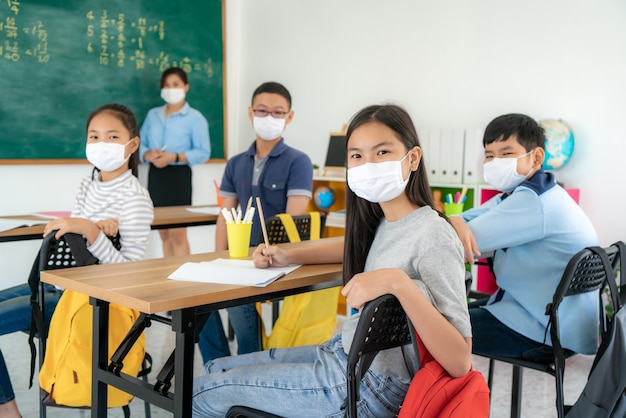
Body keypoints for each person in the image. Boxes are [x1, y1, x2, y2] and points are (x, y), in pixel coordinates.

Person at [191, 104, 472, 417]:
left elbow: (460, 360)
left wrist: (398, 283)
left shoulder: (433, 235)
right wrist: (287, 254)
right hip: (344, 353)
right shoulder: (385, 220)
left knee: (202, 393)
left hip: (372, 385)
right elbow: (349, 245)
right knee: (215, 366)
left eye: (381, 153)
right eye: (357, 155)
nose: (368, 164)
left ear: (413, 158)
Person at [0, 103, 154, 418]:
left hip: (97, 304)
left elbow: (130, 276)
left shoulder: (135, 198)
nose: (101, 144)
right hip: (69, 286)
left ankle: (7, 412)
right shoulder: (88, 183)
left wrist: (90, 230)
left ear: (132, 144)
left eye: (112, 136)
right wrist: (93, 228)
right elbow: (79, 243)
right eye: (94, 137)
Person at [448, 113, 599, 360]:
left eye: (506, 153)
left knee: (427, 326)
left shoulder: (533, 202)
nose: (495, 162)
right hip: (549, 321)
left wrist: (453, 221)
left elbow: (462, 239)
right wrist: (455, 220)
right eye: (489, 155)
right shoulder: (528, 193)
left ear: (537, 157)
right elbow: (465, 221)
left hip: (543, 330)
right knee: (438, 318)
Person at [197, 81, 313, 363]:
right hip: (237, 255)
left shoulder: (299, 161)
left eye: (277, 112)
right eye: (262, 111)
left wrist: (262, 255)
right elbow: (226, 214)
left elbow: (292, 224)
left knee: (238, 300)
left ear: (289, 117)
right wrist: (219, 256)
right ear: (250, 113)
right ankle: (219, 365)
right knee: (195, 298)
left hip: (275, 256)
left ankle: (246, 364)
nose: (269, 118)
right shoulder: (236, 163)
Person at [140, 67, 211, 257]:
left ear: (186, 87)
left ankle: (184, 277)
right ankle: (168, 275)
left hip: (178, 178)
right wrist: (148, 155)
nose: (171, 89)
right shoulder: (152, 115)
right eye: (167, 85)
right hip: (156, 176)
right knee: (163, 233)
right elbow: (140, 145)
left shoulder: (196, 118)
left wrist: (175, 157)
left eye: (176, 84)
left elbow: (203, 152)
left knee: (178, 233)